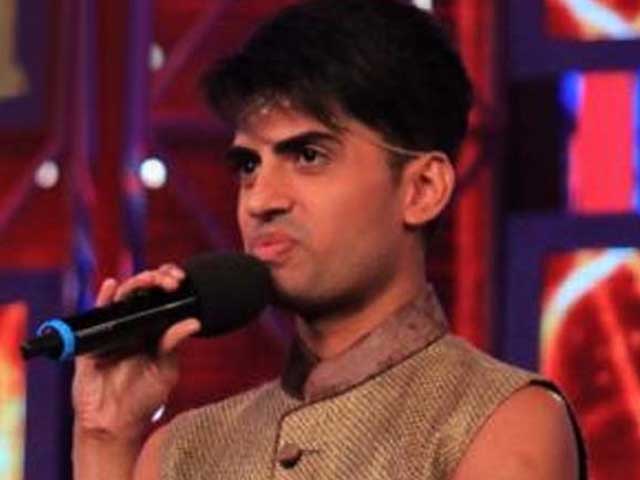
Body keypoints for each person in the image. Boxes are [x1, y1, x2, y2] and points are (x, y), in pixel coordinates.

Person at [72, 0, 586, 478]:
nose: (260, 200)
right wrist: (106, 437)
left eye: (308, 156)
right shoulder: (181, 451)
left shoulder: (501, 419)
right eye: (248, 166)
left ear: (423, 189)